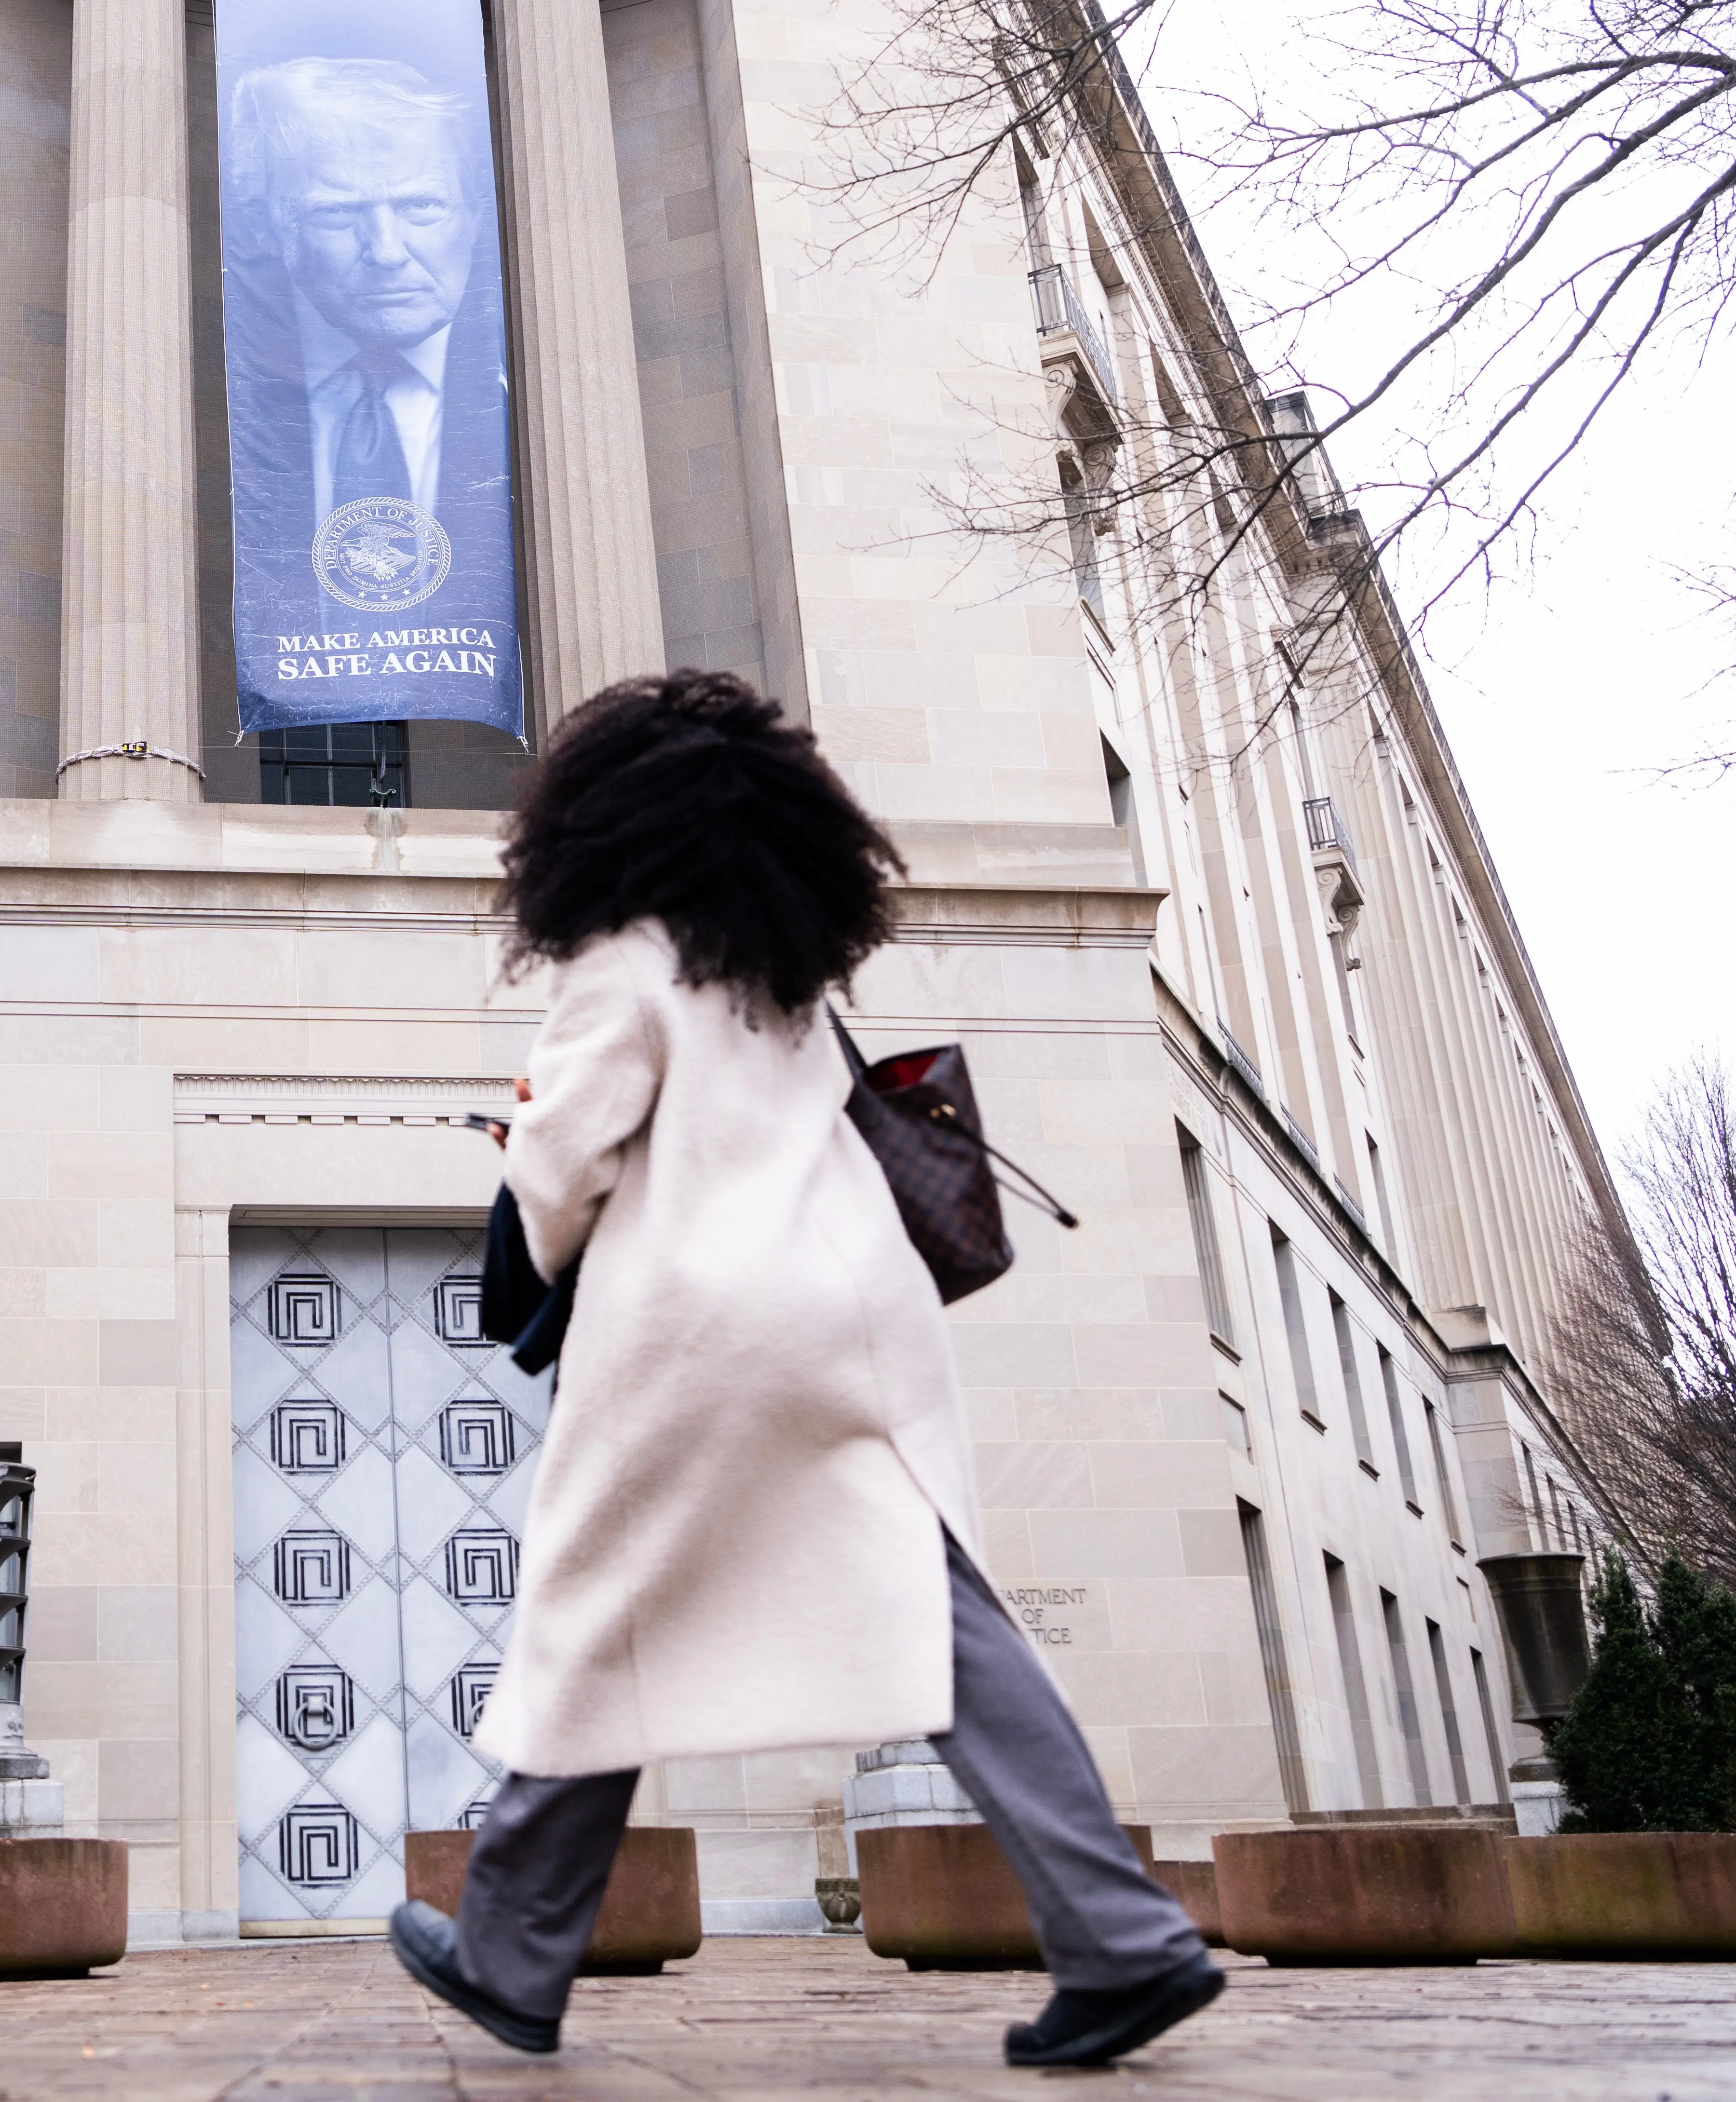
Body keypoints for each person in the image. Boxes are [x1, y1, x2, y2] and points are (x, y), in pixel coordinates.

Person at [391, 671, 1224, 2072]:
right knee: (943, 1622)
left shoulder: (623, 959)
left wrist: (531, 1233)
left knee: (594, 1604)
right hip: (853, 1313)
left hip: (697, 1336)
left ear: (603, 820)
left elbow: (559, 1164)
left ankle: (511, 1950)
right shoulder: (774, 959)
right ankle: (1120, 1932)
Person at [219, 54, 512, 616]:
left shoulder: (519, 383)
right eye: (337, 214)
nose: (386, 252)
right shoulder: (235, 391)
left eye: (420, 206)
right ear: (268, 224)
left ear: (475, 213)